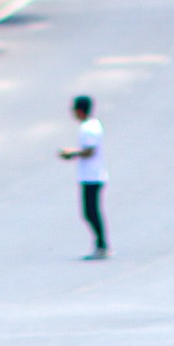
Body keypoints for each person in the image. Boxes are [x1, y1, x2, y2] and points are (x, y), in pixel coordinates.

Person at [57, 95, 108, 257]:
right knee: (91, 212)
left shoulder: (88, 128)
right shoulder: (92, 124)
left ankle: (101, 245)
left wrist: (72, 153)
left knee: (90, 212)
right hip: (92, 174)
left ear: (79, 110)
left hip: (91, 176)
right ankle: (101, 244)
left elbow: (90, 151)